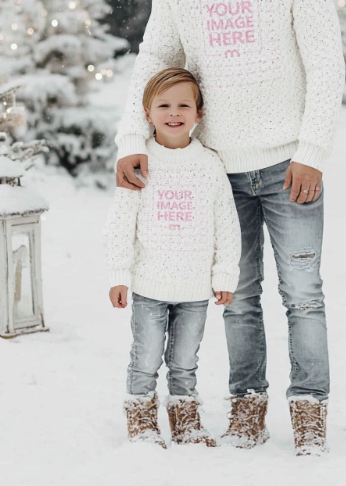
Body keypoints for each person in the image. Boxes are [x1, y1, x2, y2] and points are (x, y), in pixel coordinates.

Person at [115, 0, 345, 456]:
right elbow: (156, 61)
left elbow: (326, 65)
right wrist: (132, 138)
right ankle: (247, 408)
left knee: (303, 295)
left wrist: (312, 150)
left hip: (287, 163)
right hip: (215, 169)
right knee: (237, 297)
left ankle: (310, 412)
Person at [105, 67, 241, 449]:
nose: (174, 112)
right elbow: (120, 223)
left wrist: (224, 276)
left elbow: (226, 225)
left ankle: (186, 423)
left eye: (184, 104)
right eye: (163, 105)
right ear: (147, 114)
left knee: (184, 362)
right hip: (149, 286)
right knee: (146, 359)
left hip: (195, 290)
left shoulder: (209, 165)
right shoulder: (140, 162)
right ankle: (142, 422)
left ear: (199, 114)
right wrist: (119, 274)